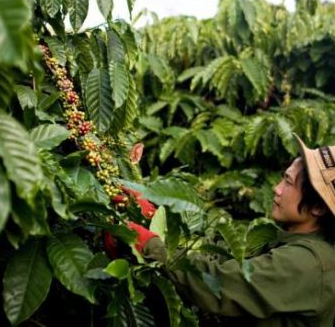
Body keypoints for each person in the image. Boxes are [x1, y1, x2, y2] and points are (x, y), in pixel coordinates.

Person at [128, 135, 335, 326]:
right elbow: (224, 264)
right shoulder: (293, 242)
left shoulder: (306, 263)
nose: (277, 189)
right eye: (283, 178)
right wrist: (151, 215)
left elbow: (219, 282)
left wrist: (149, 244)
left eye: (288, 183)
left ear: (318, 207)